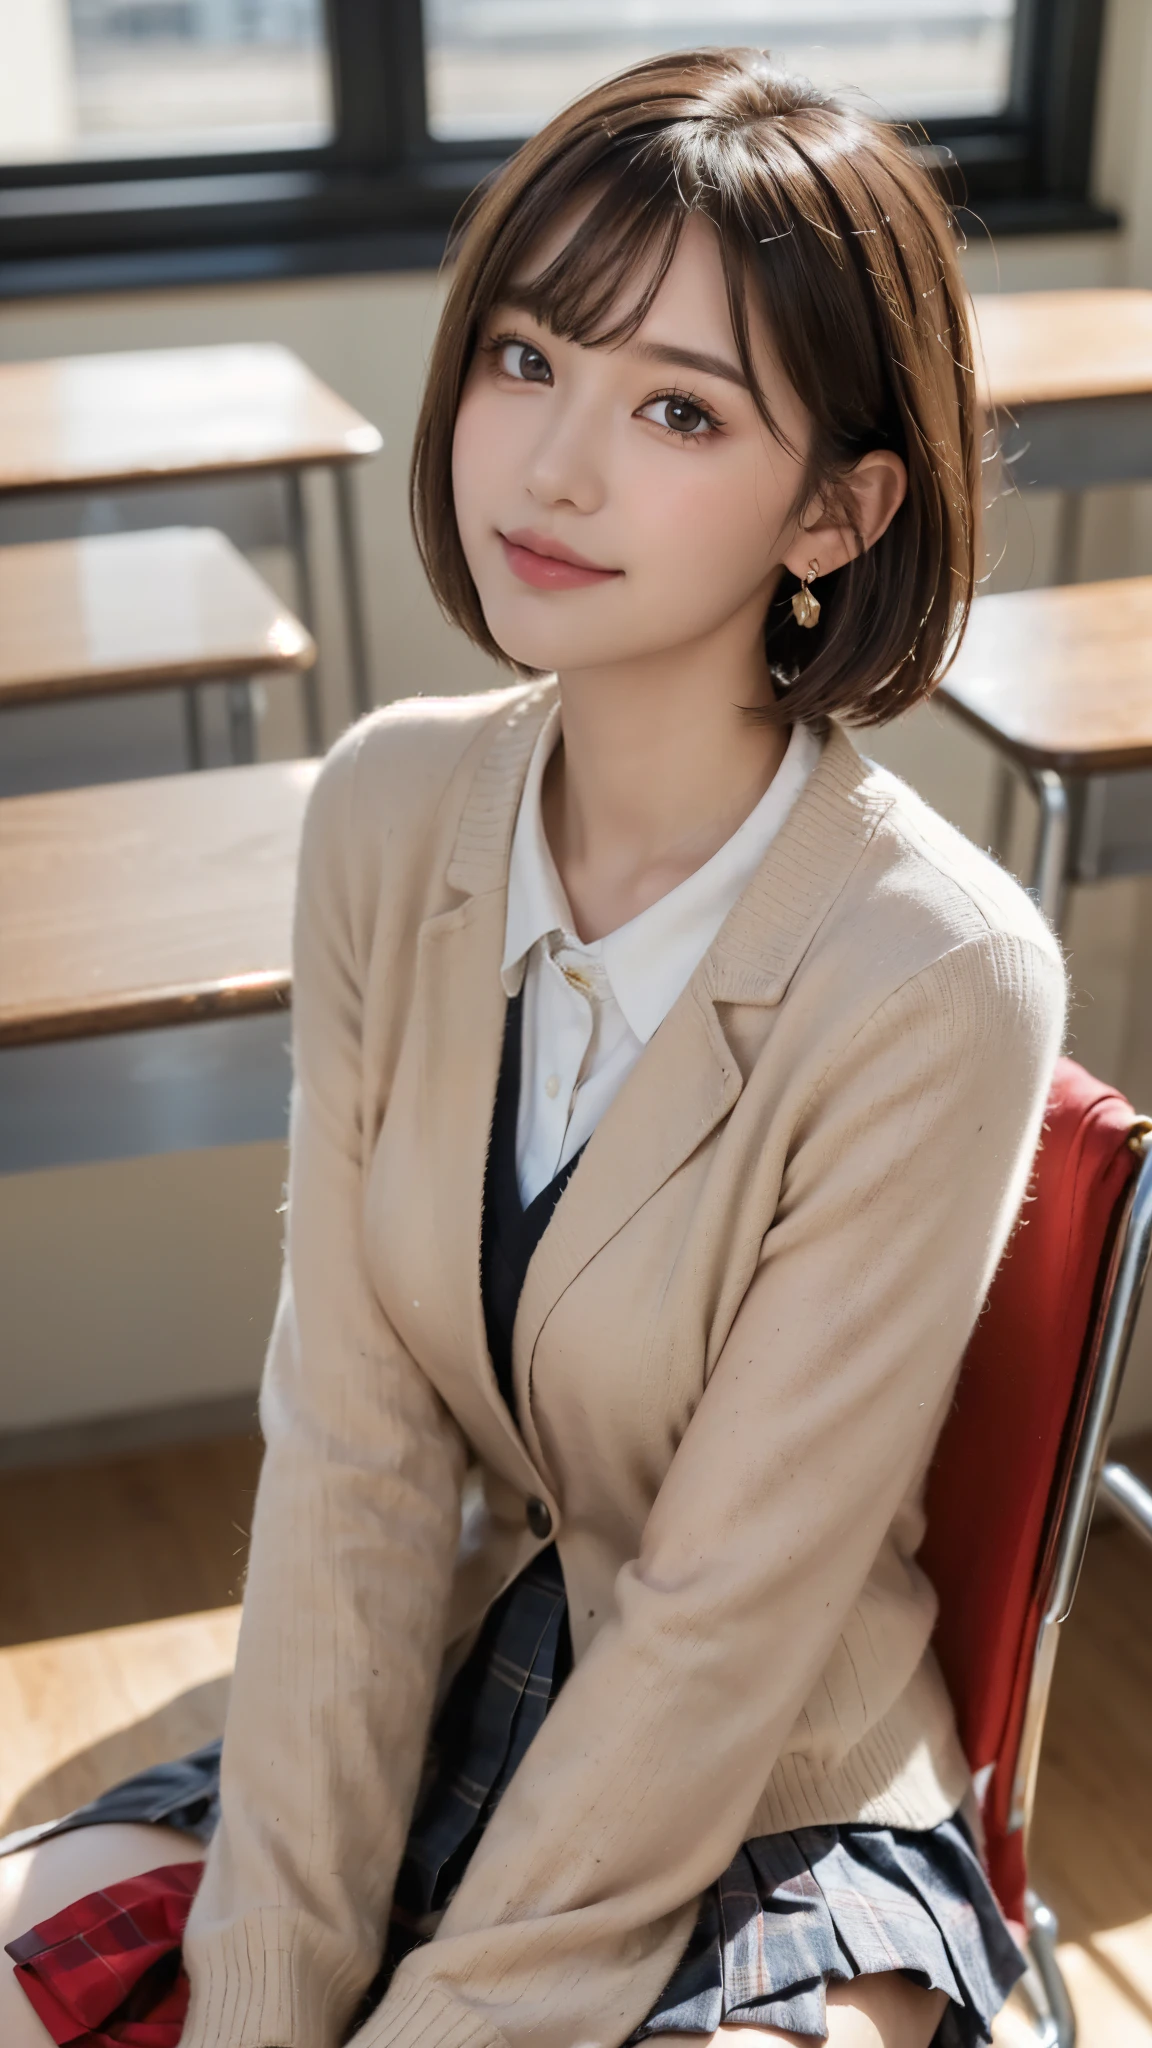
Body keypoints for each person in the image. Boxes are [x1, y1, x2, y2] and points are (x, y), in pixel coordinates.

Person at [0, 47, 1066, 2048]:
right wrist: (264, 1999)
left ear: (840, 506)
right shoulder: (387, 815)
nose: (553, 468)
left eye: (676, 406)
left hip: (768, 1793)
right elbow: (358, 1466)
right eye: (522, 360)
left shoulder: (937, 974)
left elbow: (720, 1630)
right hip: (429, 1724)